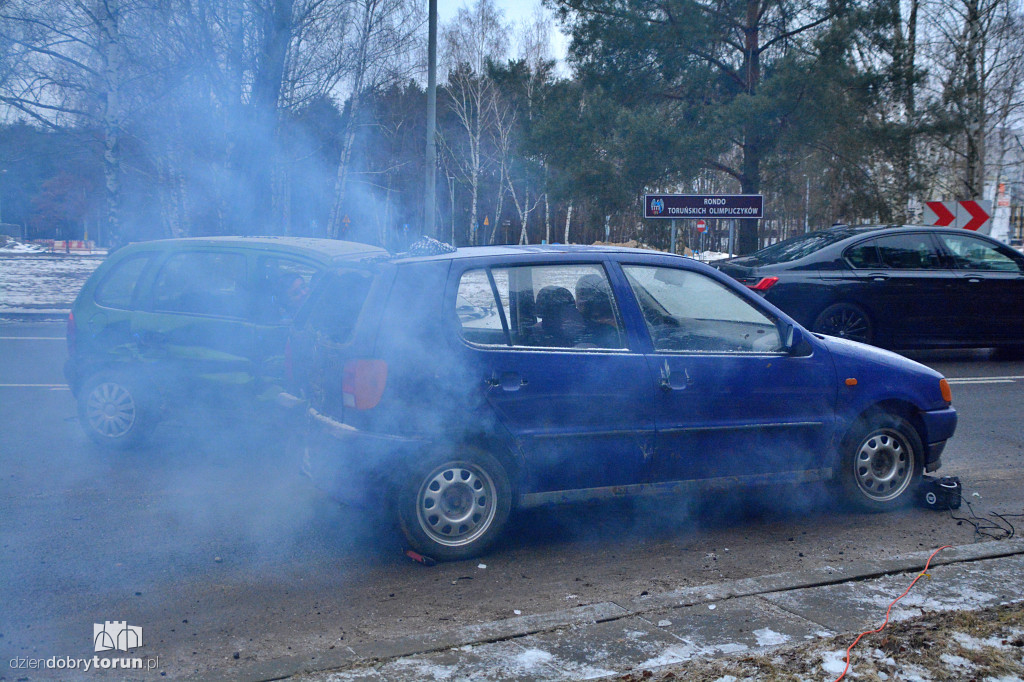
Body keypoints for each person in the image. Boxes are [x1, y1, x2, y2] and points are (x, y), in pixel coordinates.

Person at [574, 275, 622, 348]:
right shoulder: (574, 322)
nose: (581, 302)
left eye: (585, 296)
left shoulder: (612, 327)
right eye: (580, 296)